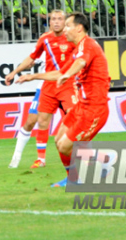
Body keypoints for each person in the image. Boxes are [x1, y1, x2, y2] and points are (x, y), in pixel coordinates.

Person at [16, 12, 111, 187]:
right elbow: (59, 72)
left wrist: (68, 75)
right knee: (59, 141)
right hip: (81, 107)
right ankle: (74, 177)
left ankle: (93, 168)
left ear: (79, 28)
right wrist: (33, 76)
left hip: (95, 109)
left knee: (67, 145)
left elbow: (80, 63)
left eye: (68, 25)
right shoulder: (78, 49)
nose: (64, 29)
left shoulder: (87, 45)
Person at [6, 10, 77, 169]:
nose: (56, 22)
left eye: (60, 19)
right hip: (48, 85)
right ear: (49, 22)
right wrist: (14, 72)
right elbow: (32, 57)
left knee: (74, 122)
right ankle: (40, 159)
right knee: (39, 120)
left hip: (68, 84)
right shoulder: (44, 39)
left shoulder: (72, 37)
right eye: (53, 19)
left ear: (65, 21)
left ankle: (83, 157)